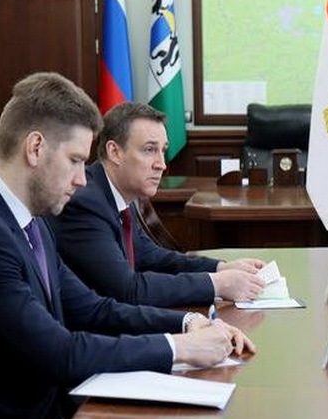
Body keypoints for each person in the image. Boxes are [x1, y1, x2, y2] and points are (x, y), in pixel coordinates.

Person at [0, 73, 254, 419]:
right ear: (35, 148)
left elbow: (94, 309)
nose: (83, 179)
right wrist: (179, 348)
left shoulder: (30, 220)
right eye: (76, 160)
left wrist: (187, 323)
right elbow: (59, 352)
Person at [50, 102, 265, 307]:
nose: (161, 164)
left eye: (163, 150)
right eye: (149, 149)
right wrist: (217, 284)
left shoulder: (121, 192)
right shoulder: (85, 203)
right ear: (115, 152)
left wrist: (220, 268)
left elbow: (150, 256)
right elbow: (128, 290)